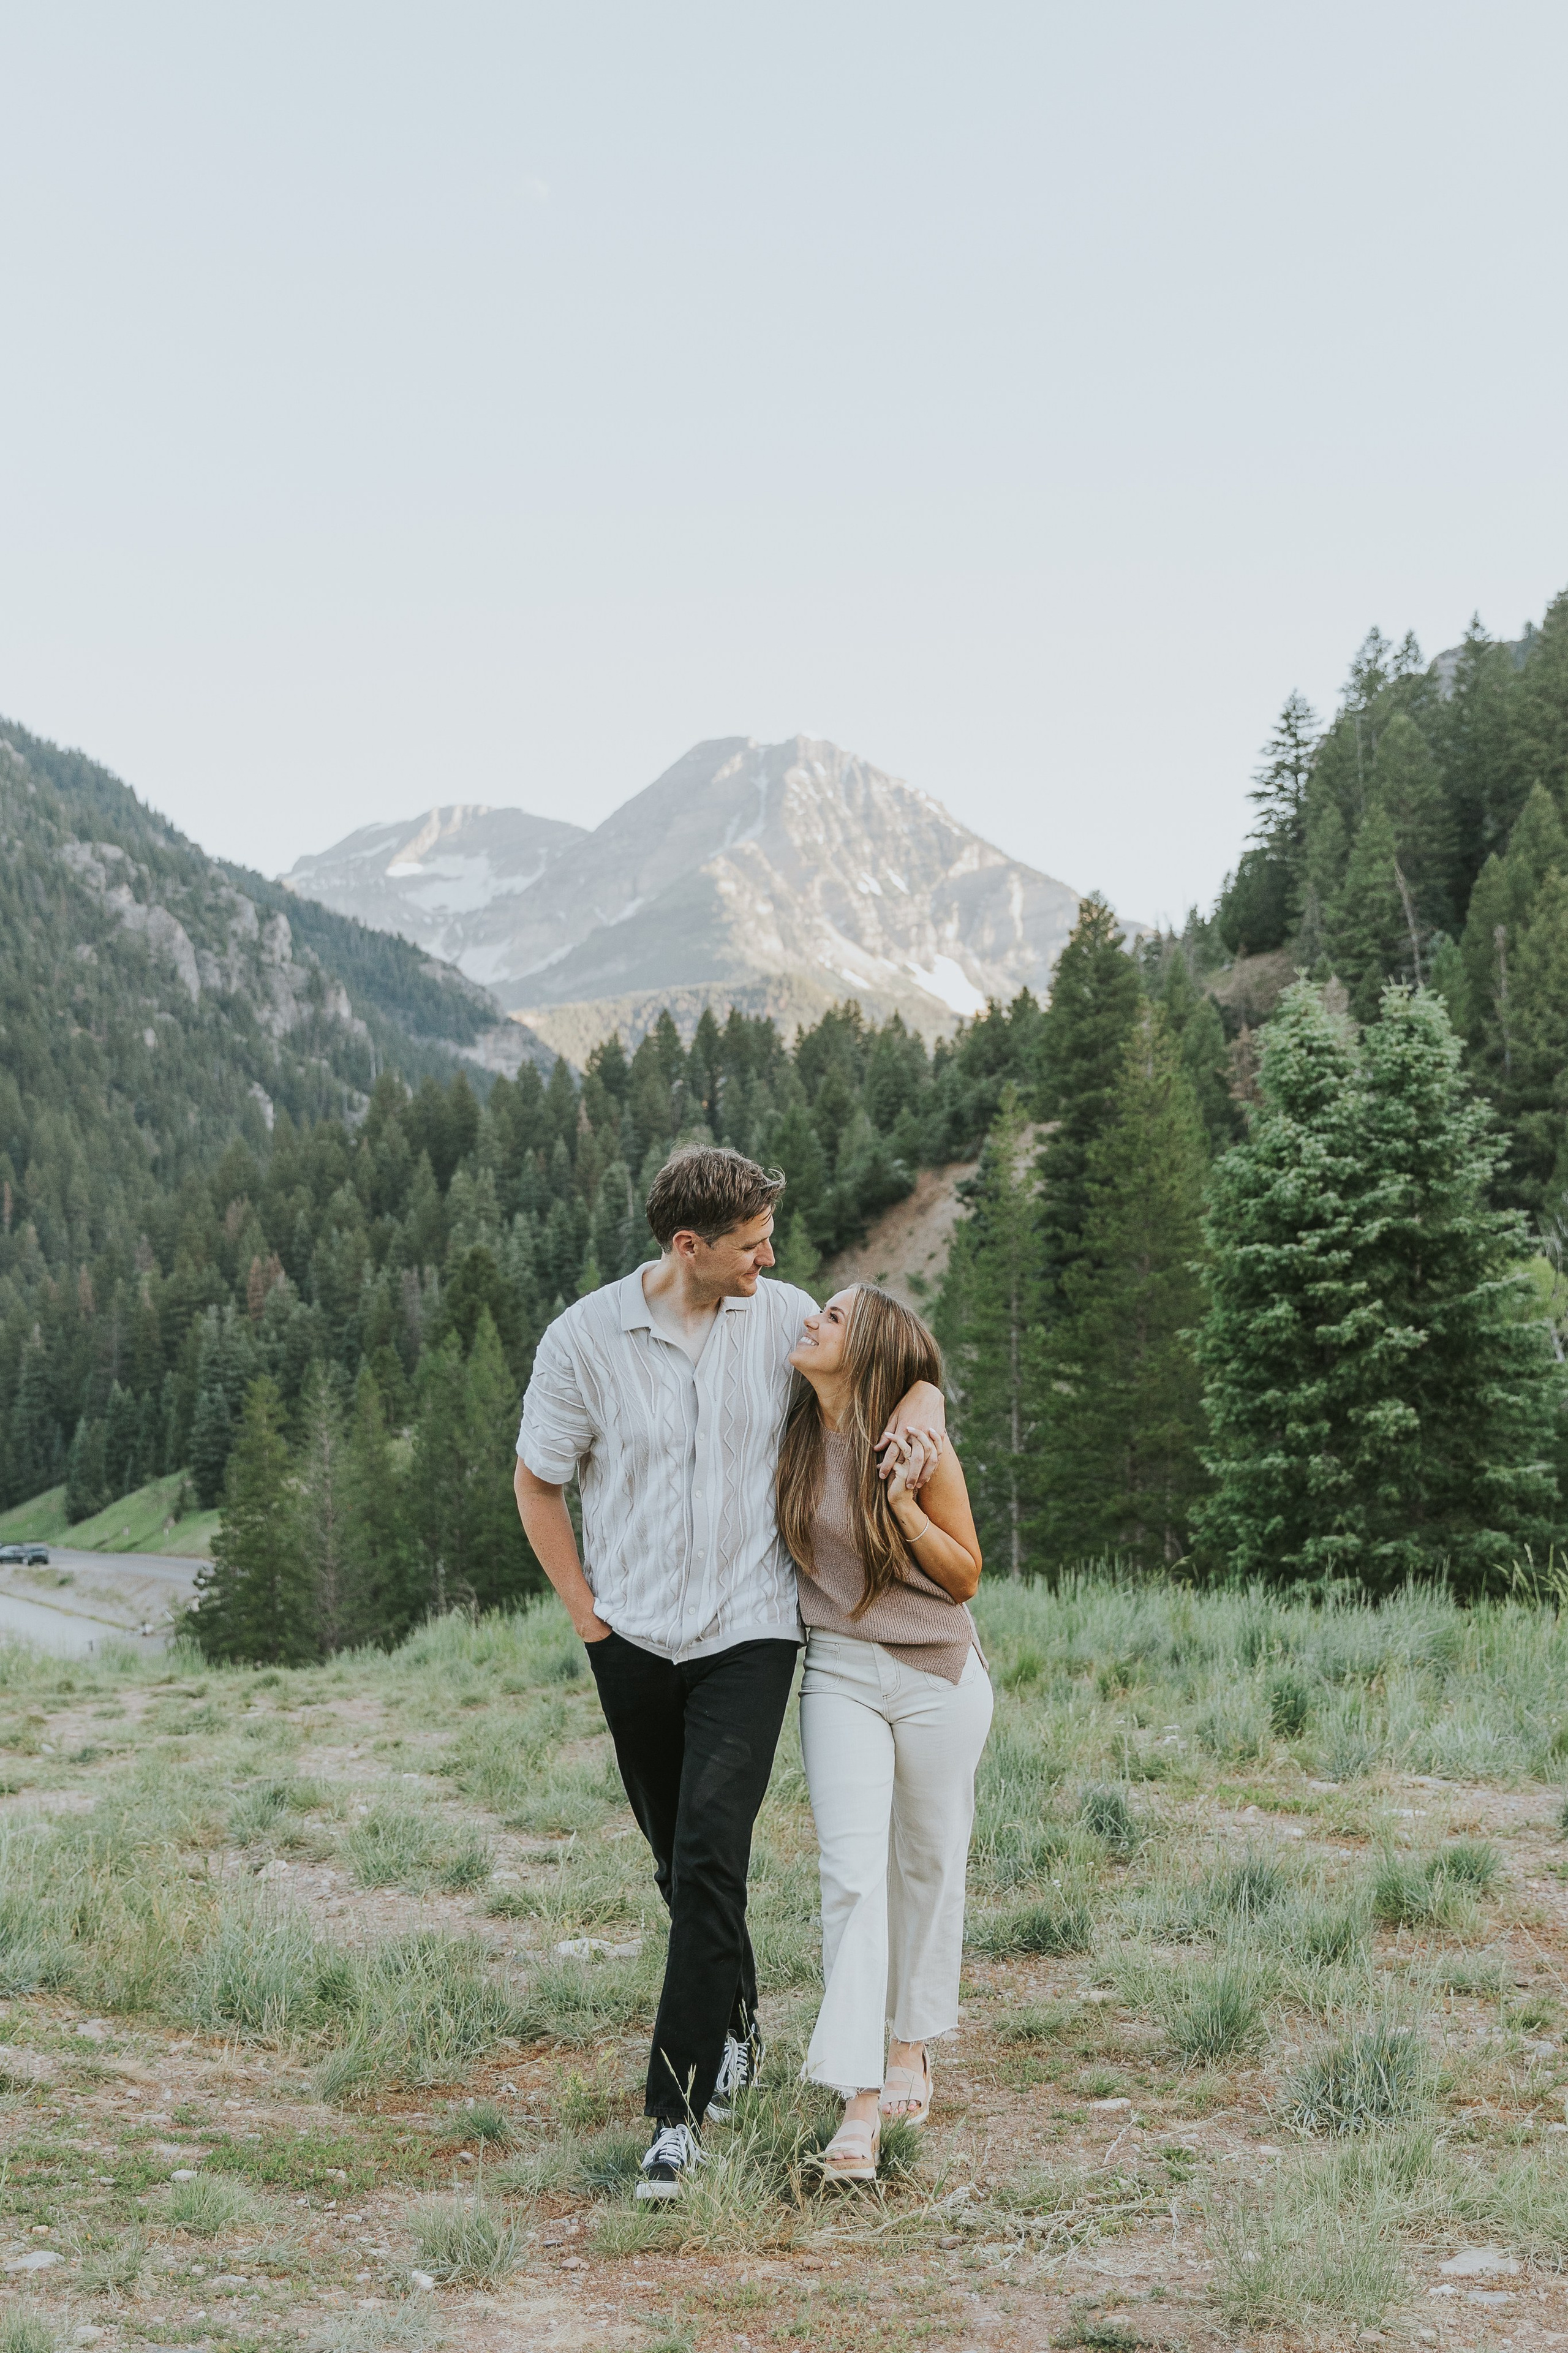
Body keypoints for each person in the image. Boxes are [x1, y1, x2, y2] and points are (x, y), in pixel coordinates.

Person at [513, 1146, 946, 2200]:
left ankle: (677, 2114)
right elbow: (537, 1482)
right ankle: (738, 2011)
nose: (771, 1259)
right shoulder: (584, 1340)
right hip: (632, 1639)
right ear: (688, 1246)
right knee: (680, 1866)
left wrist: (927, 1398)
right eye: (751, 1244)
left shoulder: (784, 1316)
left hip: (752, 1635)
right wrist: (587, 1618)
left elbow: (891, 1356)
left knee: (712, 1856)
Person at [780, 1283, 992, 2184]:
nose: (811, 1319)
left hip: (936, 1671)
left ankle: (911, 2044)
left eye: (833, 1316)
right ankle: (858, 2097)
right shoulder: (789, 1420)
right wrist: (928, 1385)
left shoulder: (915, 1446)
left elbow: (966, 1577)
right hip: (838, 1667)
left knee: (930, 1860)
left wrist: (905, 1505)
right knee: (853, 1876)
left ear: (866, 1349)